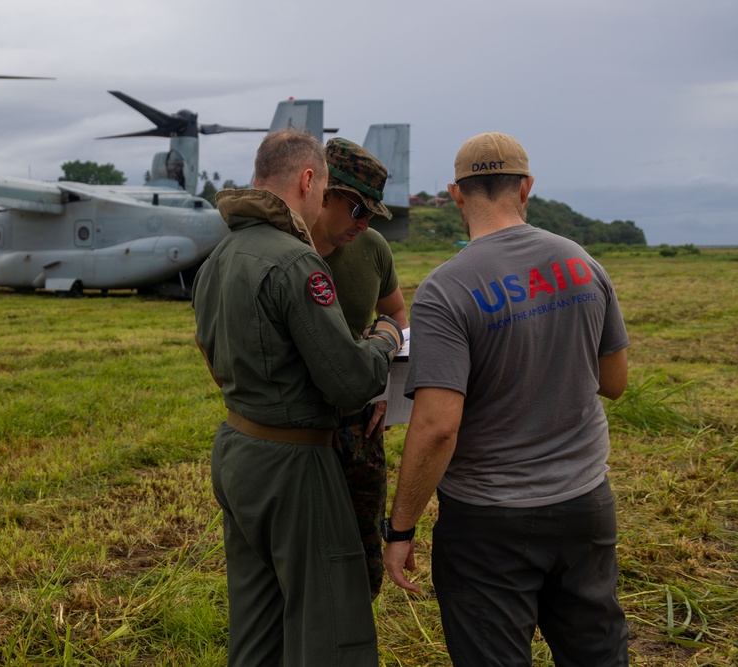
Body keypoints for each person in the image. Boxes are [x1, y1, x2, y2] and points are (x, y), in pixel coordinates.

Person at [381, 132, 630, 666]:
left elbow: (438, 426)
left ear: (454, 194)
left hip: (488, 523)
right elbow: (614, 382)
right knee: (598, 653)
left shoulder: (446, 290)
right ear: (527, 188)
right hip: (585, 500)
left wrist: (400, 526)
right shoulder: (583, 263)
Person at [192, 128, 404, 667]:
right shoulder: (297, 263)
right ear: (310, 180)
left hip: (238, 448)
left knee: (258, 624)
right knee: (332, 625)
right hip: (295, 465)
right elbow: (352, 381)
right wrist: (385, 338)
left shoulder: (219, 257)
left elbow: (213, 357)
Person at [311, 137, 407, 600]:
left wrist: (387, 387)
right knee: (305, 550)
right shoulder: (281, 251)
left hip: (358, 426)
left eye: (372, 213)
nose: (365, 223)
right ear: (322, 192)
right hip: (300, 427)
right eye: (356, 210)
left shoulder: (371, 248)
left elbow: (397, 317)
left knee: (363, 553)